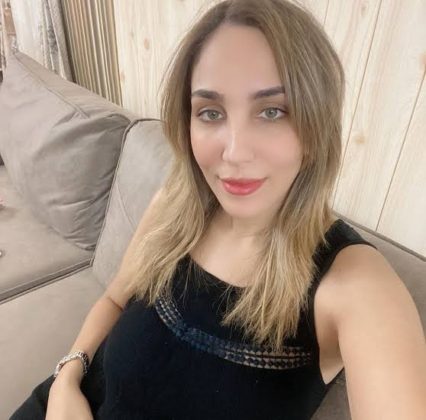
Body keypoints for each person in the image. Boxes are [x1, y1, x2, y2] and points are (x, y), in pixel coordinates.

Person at [11, 0, 426, 419]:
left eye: (272, 111)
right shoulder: (176, 203)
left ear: (316, 124)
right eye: (210, 112)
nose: (235, 151)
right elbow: (114, 301)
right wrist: (66, 379)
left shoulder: (355, 286)